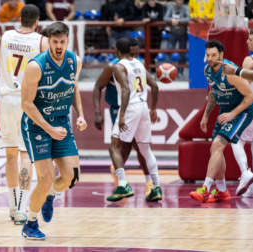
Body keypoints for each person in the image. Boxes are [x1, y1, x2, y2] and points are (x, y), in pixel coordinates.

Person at [0, 4, 49, 225]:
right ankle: (21, 208)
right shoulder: (41, 41)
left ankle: (12, 206)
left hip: (6, 99)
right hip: (28, 102)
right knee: (26, 154)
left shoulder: (6, 36)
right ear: (37, 22)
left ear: (20, 18)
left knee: (10, 154)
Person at [20, 21, 87, 240]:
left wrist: (81, 115)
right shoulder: (35, 66)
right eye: (55, 42)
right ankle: (30, 224)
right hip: (36, 125)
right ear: (48, 41)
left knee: (72, 177)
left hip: (61, 122)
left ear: (68, 40)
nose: (59, 46)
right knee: (46, 177)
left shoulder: (74, 61)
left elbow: (73, 87)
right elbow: (26, 104)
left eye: (63, 41)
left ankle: (49, 195)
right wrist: (48, 129)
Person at [189, 40, 253, 203]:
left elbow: (251, 97)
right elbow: (213, 93)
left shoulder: (230, 72)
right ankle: (221, 190)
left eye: (213, 55)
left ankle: (205, 189)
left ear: (221, 55)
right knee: (215, 149)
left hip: (242, 112)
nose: (210, 58)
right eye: (208, 55)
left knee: (219, 145)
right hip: (225, 111)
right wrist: (205, 115)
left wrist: (232, 114)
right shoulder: (208, 70)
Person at [93, 38, 153, 200]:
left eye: (137, 53)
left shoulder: (137, 64)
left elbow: (152, 85)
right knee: (126, 144)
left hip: (133, 107)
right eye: (132, 53)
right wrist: (97, 113)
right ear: (124, 51)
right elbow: (98, 87)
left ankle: (136, 180)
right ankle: (123, 178)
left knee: (136, 144)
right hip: (118, 108)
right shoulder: (114, 67)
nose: (134, 56)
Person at [109, 37, 162, 203]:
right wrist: (153, 109)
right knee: (145, 150)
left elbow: (125, 90)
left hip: (130, 107)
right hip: (143, 106)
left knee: (114, 147)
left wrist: (122, 114)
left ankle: (123, 184)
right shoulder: (139, 64)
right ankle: (156, 186)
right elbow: (154, 85)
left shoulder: (119, 67)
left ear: (117, 51)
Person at [163, 0, 190, 77]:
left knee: (182, 54)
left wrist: (179, 21)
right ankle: (167, 71)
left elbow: (189, 18)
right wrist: (171, 20)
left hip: (183, 34)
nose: (179, 1)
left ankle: (180, 72)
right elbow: (165, 18)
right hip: (173, 34)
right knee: (169, 51)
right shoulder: (171, 7)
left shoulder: (185, 8)